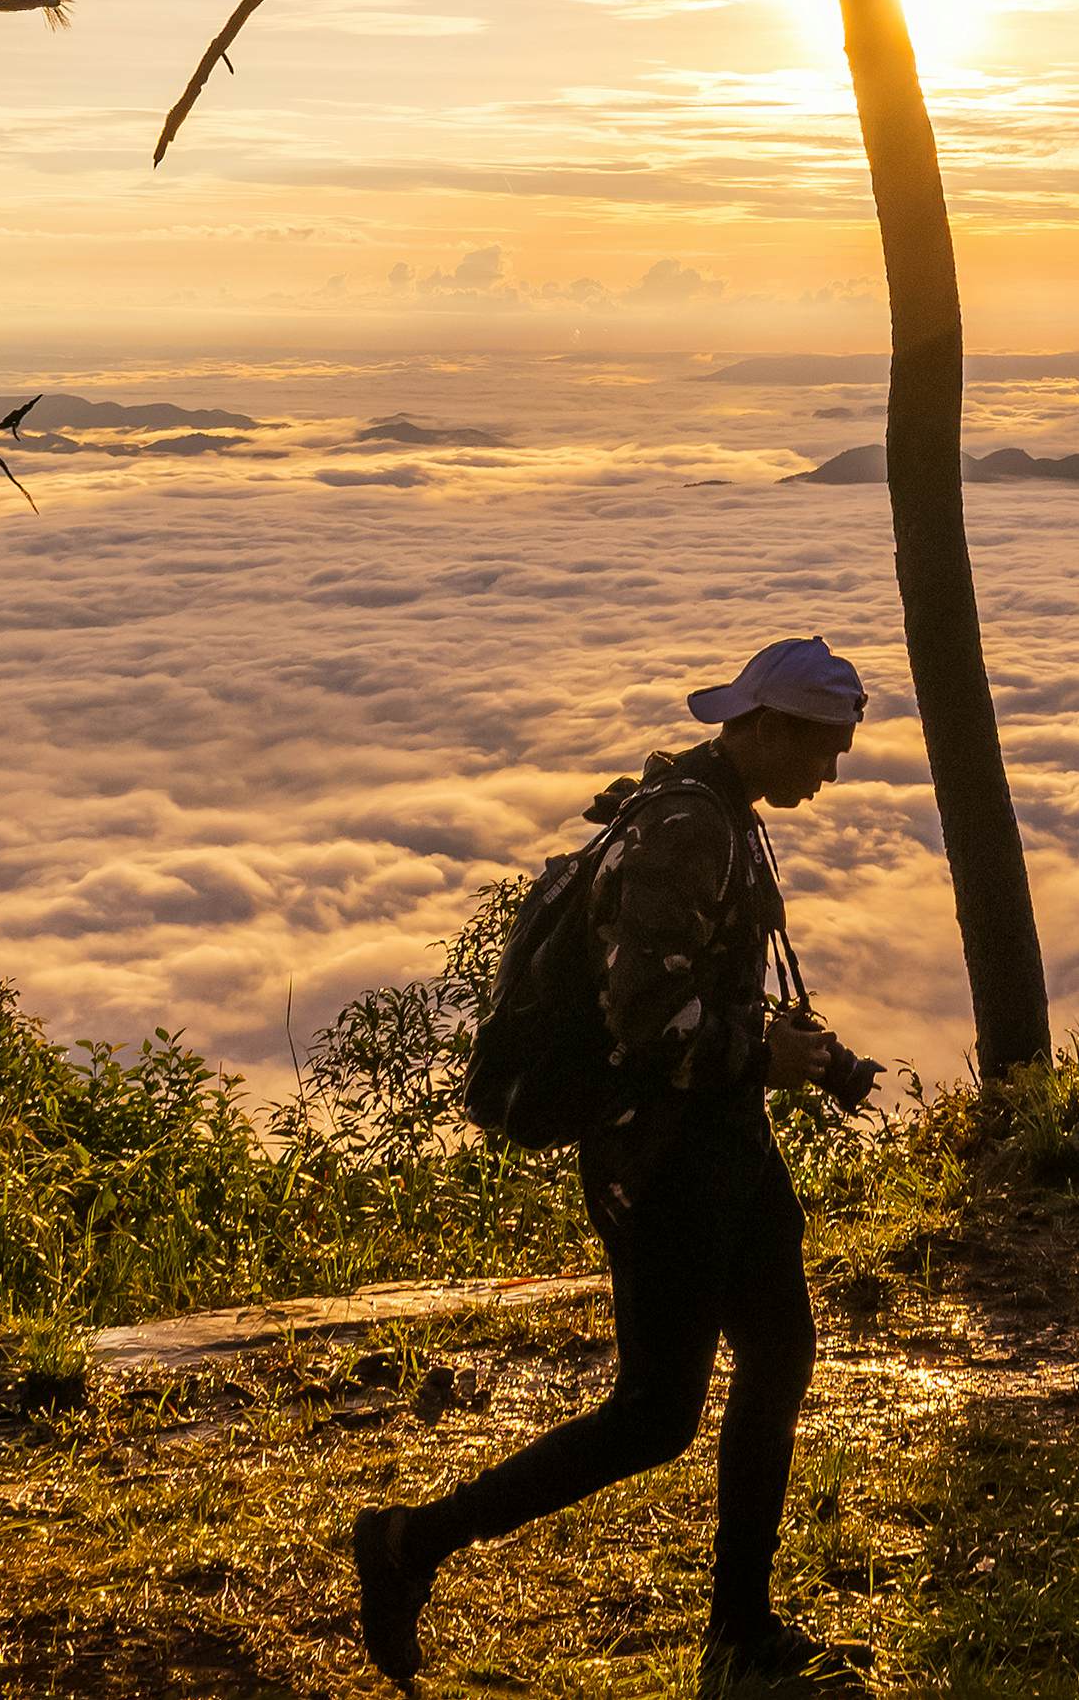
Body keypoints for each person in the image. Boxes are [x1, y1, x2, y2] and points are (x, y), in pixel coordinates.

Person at [353, 637, 879, 1697]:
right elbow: (648, 1025)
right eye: (824, 750)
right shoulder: (687, 830)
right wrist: (758, 1057)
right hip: (663, 1151)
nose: (830, 774)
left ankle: (741, 1634)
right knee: (655, 1414)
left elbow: (703, 988)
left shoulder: (718, 814)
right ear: (766, 729)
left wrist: (806, 1059)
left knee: (777, 1356)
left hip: (720, 1141)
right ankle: (410, 1543)